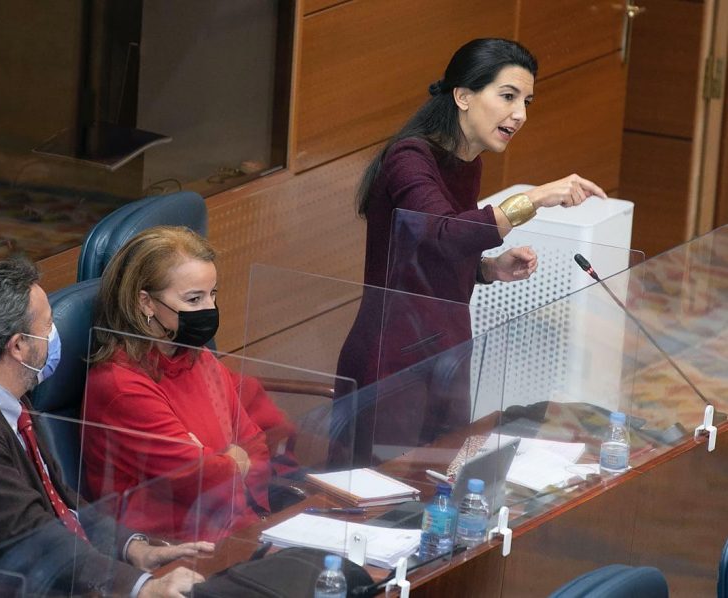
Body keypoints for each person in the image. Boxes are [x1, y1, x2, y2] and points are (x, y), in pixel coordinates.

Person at [334, 38, 607, 462]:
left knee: (440, 479)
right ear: (463, 96)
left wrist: (487, 269)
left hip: (447, 347)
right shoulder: (409, 157)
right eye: (508, 96)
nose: (520, 114)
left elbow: (431, 250)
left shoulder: (468, 162)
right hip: (394, 354)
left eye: (527, 101)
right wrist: (533, 199)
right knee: (381, 492)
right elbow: (443, 233)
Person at [0, 257, 213, 597]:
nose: (54, 335)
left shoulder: (9, 400)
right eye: (47, 325)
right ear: (18, 346)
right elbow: (34, 535)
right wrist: (140, 587)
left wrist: (132, 548)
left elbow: (63, 502)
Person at [83, 226, 285, 542]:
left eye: (212, 294)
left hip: (236, 525)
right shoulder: (120, 386)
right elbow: (202, 479)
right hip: (174, 548)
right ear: (146, 303)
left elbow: (255, 445)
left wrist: (223, 459)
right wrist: (226, 460)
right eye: (194, 299)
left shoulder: (196, 357)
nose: (209, 309)